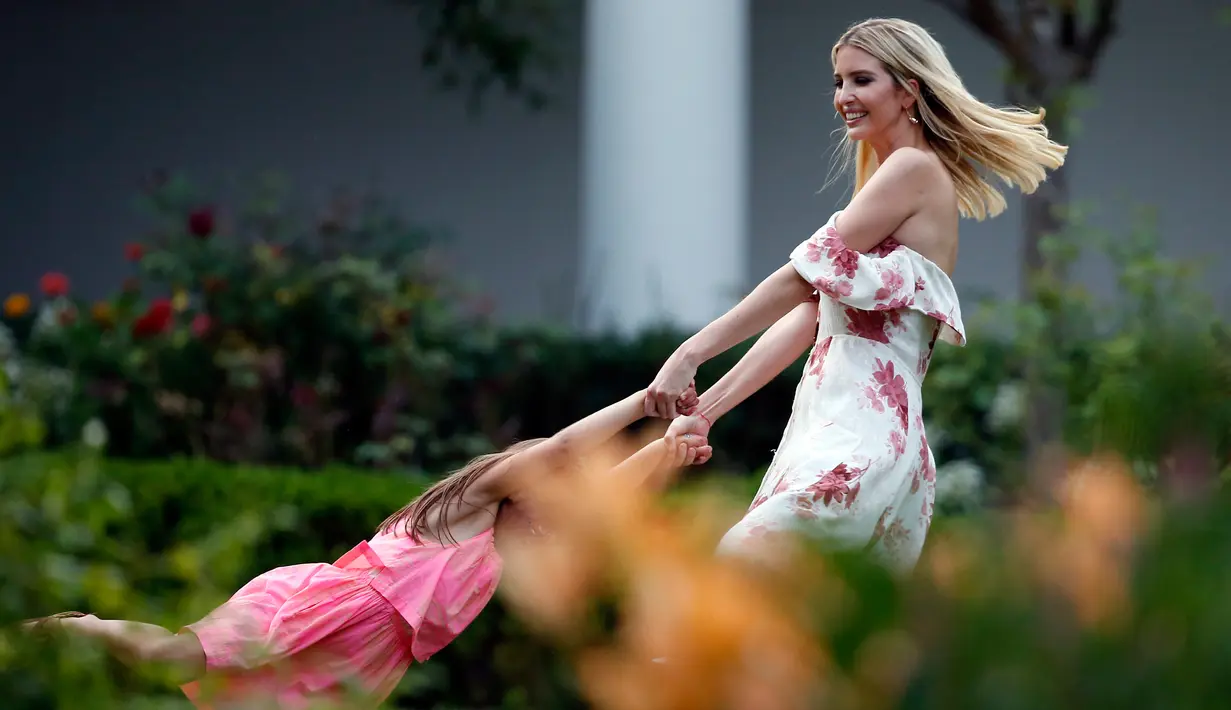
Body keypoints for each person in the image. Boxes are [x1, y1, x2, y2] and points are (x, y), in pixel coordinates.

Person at [644, 17, 1067, 572]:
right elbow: (809, 315)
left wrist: (688, 354)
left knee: (740, 574)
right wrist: (710, 413)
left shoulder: (912, 170)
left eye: (861, 80)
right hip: (848, 431)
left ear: (908, 88)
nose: (844, 96)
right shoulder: (895, 179)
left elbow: (799, 277)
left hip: (860, 439)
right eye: (839, 81)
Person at [24, 385, 709, 709]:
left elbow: (600, 504)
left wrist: (668, 453)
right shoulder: (473, 504)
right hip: (333, 608)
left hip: (372, 653)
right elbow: (562, 450)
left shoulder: (516, 538)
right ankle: (81, 629)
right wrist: (644, 405)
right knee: (176, 653)